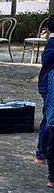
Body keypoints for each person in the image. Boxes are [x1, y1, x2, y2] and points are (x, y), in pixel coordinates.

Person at [36, 16, 54, 171]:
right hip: (48, 86)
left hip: (47, 84)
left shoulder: (50, 43)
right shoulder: (52, 44)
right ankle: (41, 153)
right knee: (48, 120)